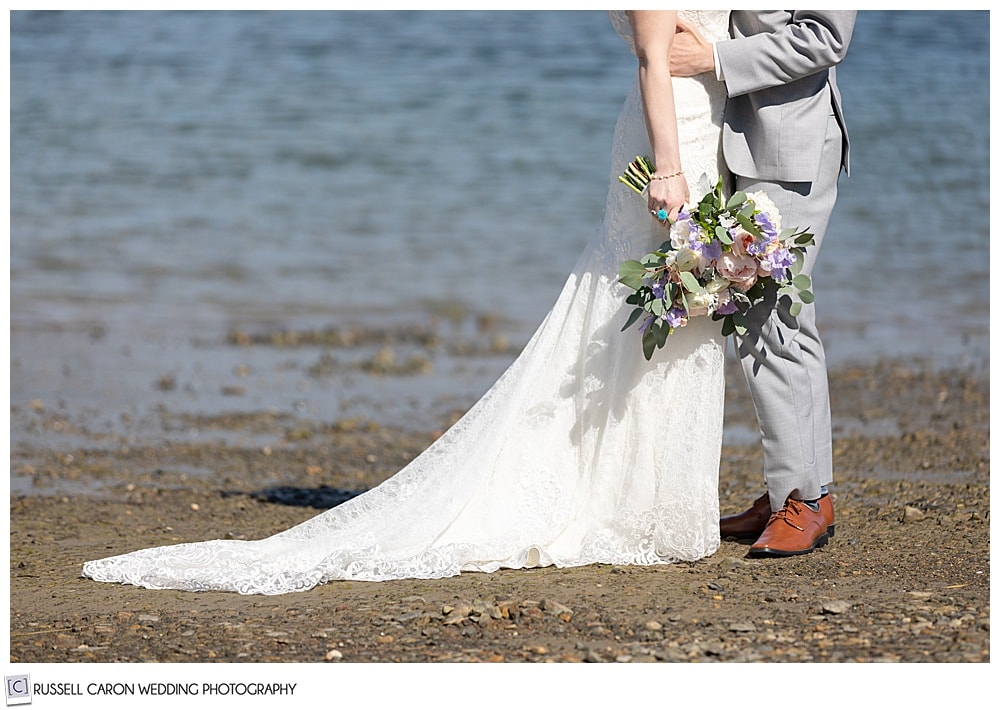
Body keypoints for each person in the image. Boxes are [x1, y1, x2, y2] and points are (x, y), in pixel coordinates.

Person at [82, 10, 734, 595]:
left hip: (701, 131)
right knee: (652, 303)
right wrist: (669, 167)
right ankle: (629, 506)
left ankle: (654, 504)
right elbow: (654, 55)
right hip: (671, 137)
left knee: (675, 310)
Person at [669, 11, 856, 557]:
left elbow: (827, 37)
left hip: (790, 142)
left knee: (766, 317)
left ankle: (800, 499)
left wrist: (714, 60)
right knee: (786, 320)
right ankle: (801, 491)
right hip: (734, 136)